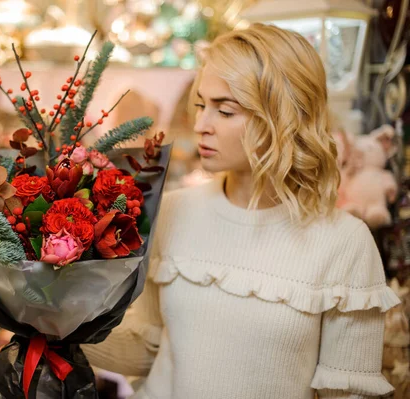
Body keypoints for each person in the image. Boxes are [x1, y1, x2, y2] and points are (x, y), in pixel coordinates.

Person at [82, 23, 401, 399]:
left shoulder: (345, 243)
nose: (201, 125)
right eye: (201, 105)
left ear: (282, 117)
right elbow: (148, 349)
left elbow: (347, 394)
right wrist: (49, 322)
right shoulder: (171, 211)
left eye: (225, 111)